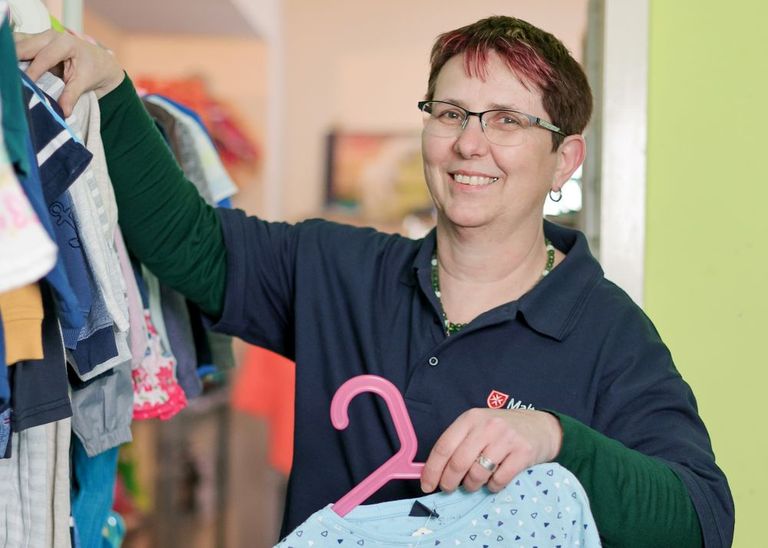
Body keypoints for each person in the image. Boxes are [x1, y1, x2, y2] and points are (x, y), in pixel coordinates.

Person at [15, 15, 734, 546]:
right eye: (450, 113)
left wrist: (554, 439)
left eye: (507, 120)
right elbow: (190, 245)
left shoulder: (609, 334)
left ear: (565, 158)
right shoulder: (338, 270)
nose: (469, 143)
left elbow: (703, 520)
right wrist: (108, 91)